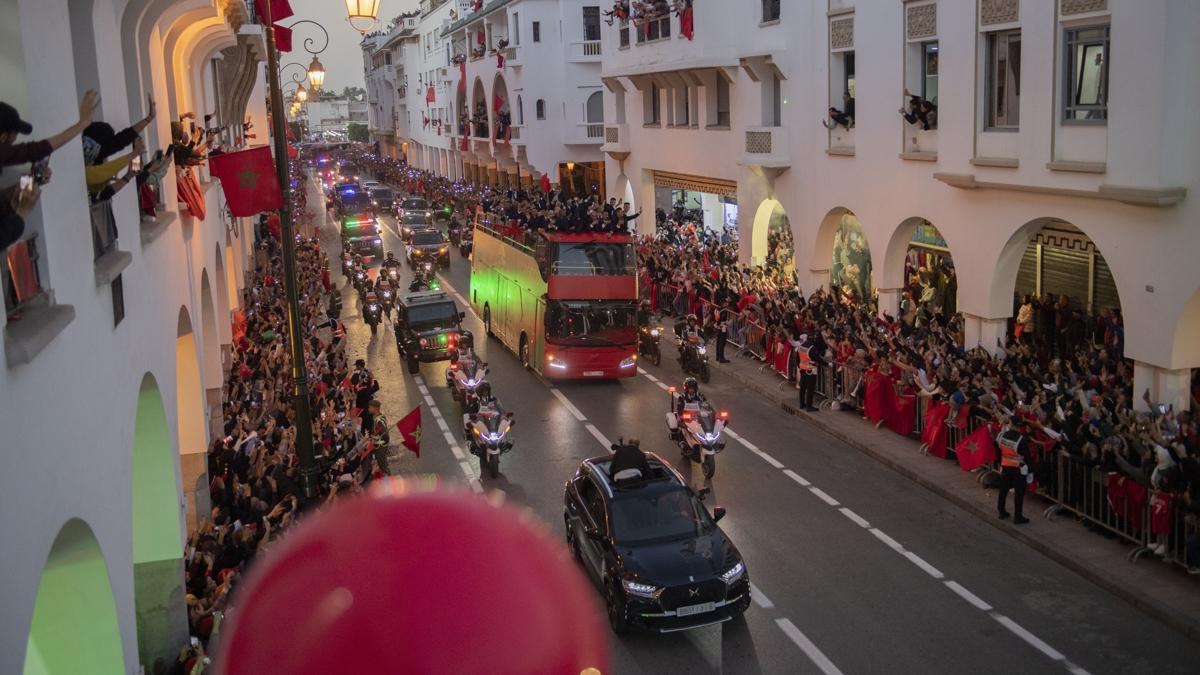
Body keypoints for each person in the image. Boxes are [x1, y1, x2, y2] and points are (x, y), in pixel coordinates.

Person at [996, 417, 1032, 524]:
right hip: (1018, 469)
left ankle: (1001, 511)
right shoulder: (1022, 440)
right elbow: (1027, 456)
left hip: (1005, 467)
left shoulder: (1001, 436)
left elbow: (998, 450)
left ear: (1011, 424)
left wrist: (1000, 462)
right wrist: (1030, 470)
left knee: (1003, 490)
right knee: (1019, 493)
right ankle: (1018, 516)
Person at [364, 399, 392, 479]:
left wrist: (374, 438)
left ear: (375, 408)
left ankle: (390, 481)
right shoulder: (376, 417)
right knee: (379, 465)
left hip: (380, 447)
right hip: (377, 446)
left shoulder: (379, 420)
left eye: (370, 407)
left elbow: (385, 436)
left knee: (382, 465)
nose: (368, 409)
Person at [795, 333, 818, 412]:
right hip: (810, 370)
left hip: (802, 368)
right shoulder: (812, 347)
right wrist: (827, 363)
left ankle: (802, 404)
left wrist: (799, 365)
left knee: (803, 387)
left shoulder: (800, 346)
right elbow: (816, 358)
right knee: (810, 388)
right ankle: (809, 406)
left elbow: (797, 357)